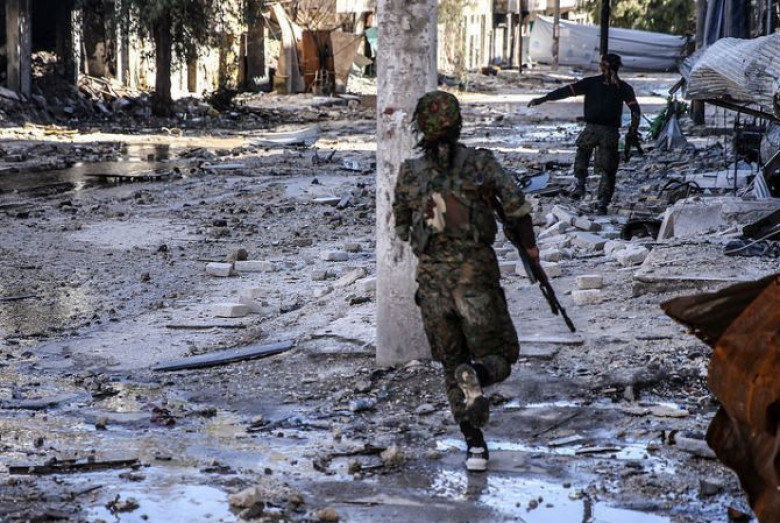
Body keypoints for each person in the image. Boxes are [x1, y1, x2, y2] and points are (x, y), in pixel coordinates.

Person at [393, 90, 540, 472]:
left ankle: (475, 447)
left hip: (432, 288)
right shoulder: (480, 164)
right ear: (458, 125)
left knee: (451, 364)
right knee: (502, 356)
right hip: (476, 280)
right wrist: (530, 250)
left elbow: (403, 229)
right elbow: (517, 207)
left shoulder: (409, 173)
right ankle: (478, 375)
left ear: (420, 128)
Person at [527, 53, 642, 215]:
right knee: (608, 169)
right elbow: (635, 112)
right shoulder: (624, 88)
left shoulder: (591, 83)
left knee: (582, 154)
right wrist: (632, 131)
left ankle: (580, 185)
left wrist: (544, 99)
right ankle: (602, 203)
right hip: (610, 133)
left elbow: (566, 91)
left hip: (591, 129)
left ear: (602, 66)